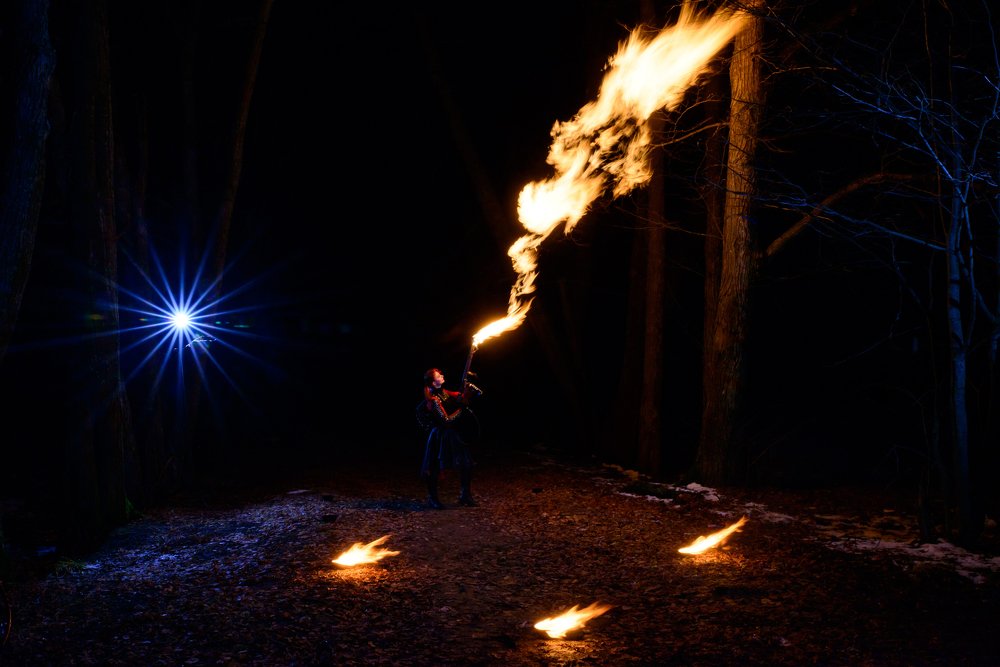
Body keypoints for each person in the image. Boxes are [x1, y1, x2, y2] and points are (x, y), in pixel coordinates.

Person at [418, 367, 482, 509]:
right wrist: (461, 409)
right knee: (433, 467)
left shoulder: (445, 393)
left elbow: (460, 398)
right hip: (439, 436)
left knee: (466, 463)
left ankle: (465, 496)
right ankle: (433, 498)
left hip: (452, 434)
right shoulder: (433, 400)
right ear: (433, 383)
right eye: (438, 375)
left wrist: (466, 394)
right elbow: (446, 421)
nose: (442, 375)